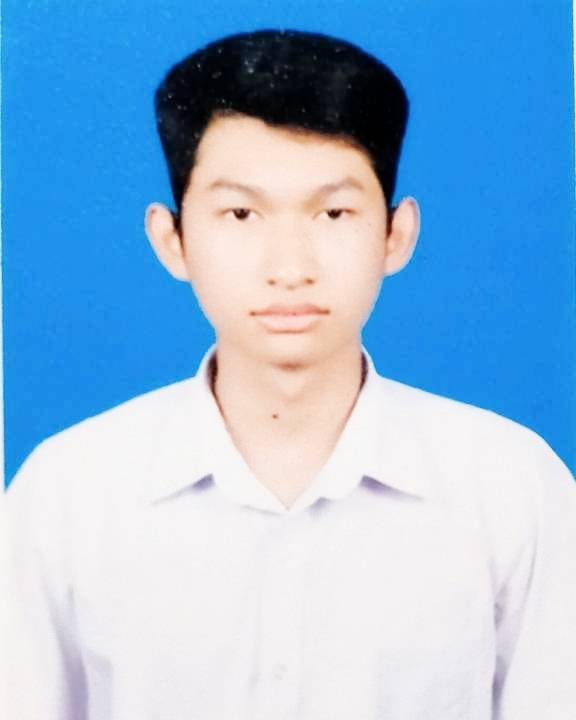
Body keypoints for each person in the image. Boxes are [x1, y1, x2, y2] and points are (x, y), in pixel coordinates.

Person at [5, 29, 576, 720]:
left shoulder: (512, 488)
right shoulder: (66, 495)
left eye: (333, 212)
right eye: (241, 213)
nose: (289, 266)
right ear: (171, 239)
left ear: (396, 234)